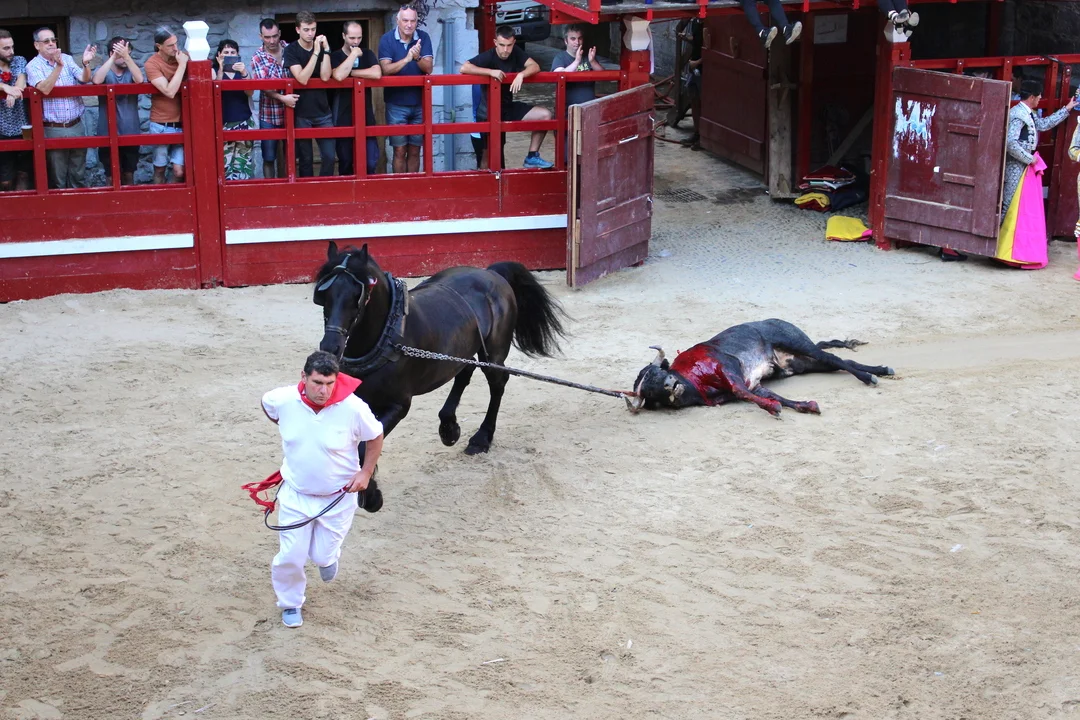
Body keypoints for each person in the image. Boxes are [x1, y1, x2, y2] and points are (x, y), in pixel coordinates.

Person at [261, 350, 384, 629]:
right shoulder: (282, 399)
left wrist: (365, 472)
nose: (323, 391)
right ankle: (290, 603)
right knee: (290, 556)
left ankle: (328, 558)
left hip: (338, 498)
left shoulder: (353, 408)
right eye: (317, 382)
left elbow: (376, 435)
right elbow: (267, 405)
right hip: (296, 494)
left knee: (321, 556)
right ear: (303, 377)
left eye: (330, 384)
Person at [995, 80, 1077, 269]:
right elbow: (1011, 143)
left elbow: (1044, 124)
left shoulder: (1027, 113)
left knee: (1016, 208)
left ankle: (1006, 251)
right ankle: (997, 249)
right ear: (1032, 97)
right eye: (1039, 96)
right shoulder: (1018, 114)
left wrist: (1067, 109)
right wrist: (1029, 159)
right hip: (1016, 167)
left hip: (1023, 166)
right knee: (1008, 205)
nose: (1040, 99)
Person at [461, 25, 554, 170]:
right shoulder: (489, 55)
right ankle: (487, 182)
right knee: (488, 155)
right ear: (495, 42)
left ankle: (532, 156)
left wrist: (521, 74)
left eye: (509, 45)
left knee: (545, 115)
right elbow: (464, 67)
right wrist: (490, 72)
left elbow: (535, 66)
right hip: (487, 112)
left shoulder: (515, 52)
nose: (505, 50)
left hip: (507, 107)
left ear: (514, 43)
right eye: (502, 45)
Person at [25, 28, 95, 189]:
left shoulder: (67, 58)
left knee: (78, 174)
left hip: (76, 124)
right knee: (58, 177)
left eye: (53, 40)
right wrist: (58, 66)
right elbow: (45, 89)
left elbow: (84, 79)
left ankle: (78, 203)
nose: (51, 43)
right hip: (53, 128)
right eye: (46, 41)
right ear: (37, 45)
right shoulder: (33, 66)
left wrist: (86, 64)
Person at [378, 5, 433, 174]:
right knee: (399, 150)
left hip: (419, 103)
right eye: (405, 20)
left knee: (415, 150)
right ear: (398, 21)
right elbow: (385, 70)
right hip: (396, 104)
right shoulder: (386, 39)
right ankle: (400, 186)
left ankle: (414, 186)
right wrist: (407, 59)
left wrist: (416, 58)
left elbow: (429, 68)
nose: (409, 25)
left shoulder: (423, 37)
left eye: (413, 21)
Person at [284, 11, 336, 177]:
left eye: (313, 29)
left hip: (323, 111)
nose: (310, 33)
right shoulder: (291, 50)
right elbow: (302, 78)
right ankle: (306, 191)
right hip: (301, 113)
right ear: (298, 29)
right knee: (305, 159)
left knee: (329, 156)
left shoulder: (321, 48)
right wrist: (315, 52)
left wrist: (326, 50)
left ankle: (324, 188)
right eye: (306, 29)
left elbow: (326, 76)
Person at [332, 20, 382, 176]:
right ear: (343, 36)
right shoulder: (335, 55)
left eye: (359, 38)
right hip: (343, 115)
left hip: (366, 115)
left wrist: (351, 73)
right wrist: (353, 55)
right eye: (352, 38)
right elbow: (338, 75)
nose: (356, 42)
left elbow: (377, 73)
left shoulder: (367, 53)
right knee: (346, 161)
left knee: (370, 162)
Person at [92, 37, 143, 186]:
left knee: (129, 173)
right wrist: (114, 57)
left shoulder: (131, 69)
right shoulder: (104, 70)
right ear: (111, 53)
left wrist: (126, 57)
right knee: (110, 175)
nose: (125, 56)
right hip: (106, 131)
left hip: (130, 131)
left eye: (128, 52)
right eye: (121, 53)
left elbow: (139, 79)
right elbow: (96, 80)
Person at [251, 19, 297, 180]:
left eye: (274, 36)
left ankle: (292, 188)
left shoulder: (291, 49)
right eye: (267, 37)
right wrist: (283, 98)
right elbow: (264, 86)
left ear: (280, 34)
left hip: (293, 111)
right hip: (269, 114)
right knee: (269, 157)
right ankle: (269, 188)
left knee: (292, 155)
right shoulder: (257, 57)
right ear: (260, 36)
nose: (271, 41)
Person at [144, 27, 187, 184]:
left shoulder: (182, 57)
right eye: (170, 45)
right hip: (160, 123)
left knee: (179, 171)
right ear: (159, 46)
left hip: (182, 124)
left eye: (176, 43)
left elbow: (210, 74)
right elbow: (169, 91)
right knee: (160, 169)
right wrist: (182, 66)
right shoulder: (151, 64)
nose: (175, 48)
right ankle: (159, 196)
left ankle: (173, 197)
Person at [215, 39, 255, 181]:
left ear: (238, 54)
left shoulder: (243, 71)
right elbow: (215, 93)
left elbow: (250, 92)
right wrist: (221, 69)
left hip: (244, 120)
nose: (229, 55)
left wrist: (243, 71)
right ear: (219, 54)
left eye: (233, 52)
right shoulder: (214, 71)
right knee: (225, 164)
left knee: (243, 163)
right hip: (224, 122)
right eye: (226, 52)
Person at [0, 28, 31, 191]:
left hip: (21, 124)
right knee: (5, 178)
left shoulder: (19, 60)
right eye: (6, 48)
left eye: (12, 47)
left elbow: (21, 79)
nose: (11, 51)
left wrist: (14, 91)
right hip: (1, 126)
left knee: (23, 173)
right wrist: (5, 87)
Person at [677, 17, 703, 149]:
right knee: (694, 99)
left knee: (703, 102)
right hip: (695, 68)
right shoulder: (696, 21)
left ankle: (703, 137)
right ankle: (697, 133)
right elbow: (698, 40)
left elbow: (713, 48)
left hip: (702, 67)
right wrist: (688, 38)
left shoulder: (709, 23)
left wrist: (697, 62)